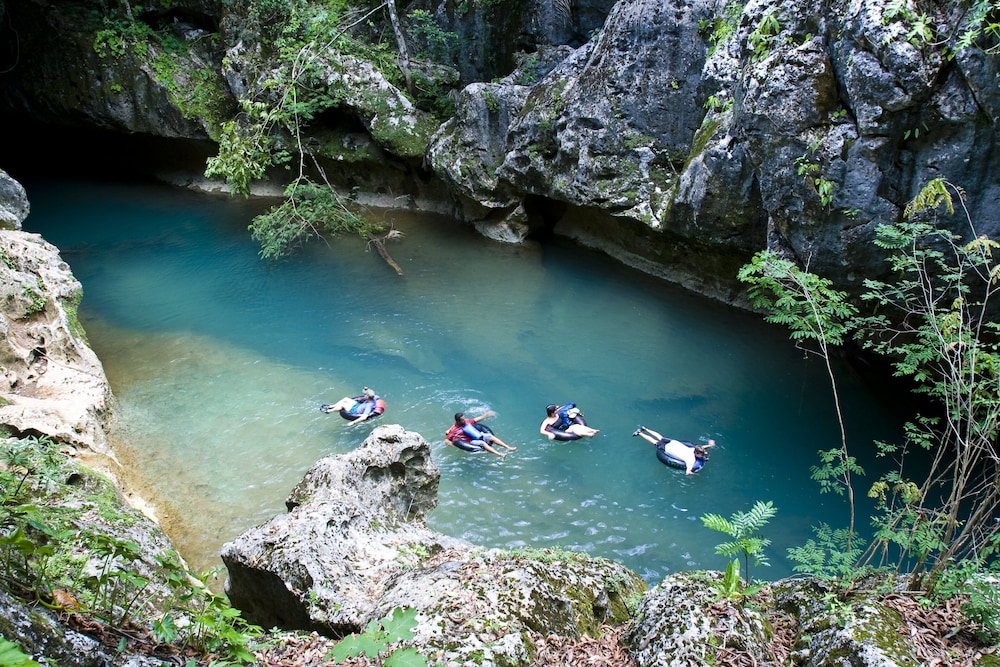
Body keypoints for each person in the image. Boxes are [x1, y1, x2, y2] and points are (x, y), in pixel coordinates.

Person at [633, 425, 715, 474]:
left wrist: (710, 445)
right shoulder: (690, 459)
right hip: (668, 448)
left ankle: (645, 428)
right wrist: (694, 474)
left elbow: (702, 447)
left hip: (673, 443)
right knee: (654, 441)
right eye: (701, 455)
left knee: (660, 437)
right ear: (696, 454)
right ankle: (639, 433)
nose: (703, 455)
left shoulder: (693, 449)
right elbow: (687, 472)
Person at [445, 410, 517, 458]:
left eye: (464, 418)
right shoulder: (454, 430)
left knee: (490, 436)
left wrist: (486, 415)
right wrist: (454, 445)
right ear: (458, 421)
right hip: (470, 442)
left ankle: (508, 447)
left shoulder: (466, 422)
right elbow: (447, 440)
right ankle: (500, 454)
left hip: (476, 436)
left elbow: (476, 419)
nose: (465, 420)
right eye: (462, 420)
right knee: (483, 443)